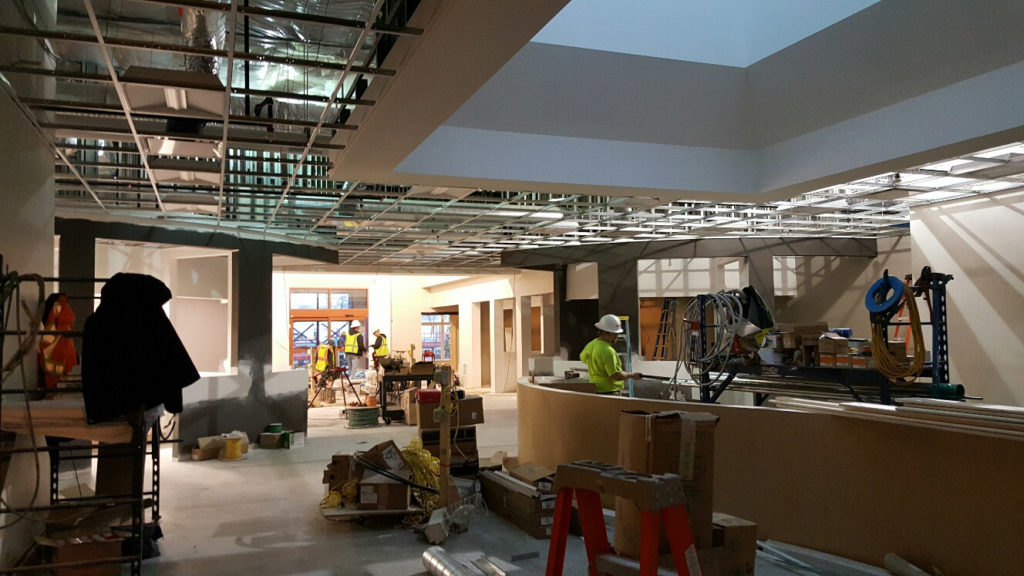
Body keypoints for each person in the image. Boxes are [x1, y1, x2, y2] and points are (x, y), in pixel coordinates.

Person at [580, 314, 640, 394]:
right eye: (614, 333)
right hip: (609, 392)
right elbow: (616, 376)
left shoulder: (591, 345)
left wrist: (597, 368)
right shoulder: (608, 351)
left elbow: (583, 358)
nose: (617, 336)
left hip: (595, 390)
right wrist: (632, 375)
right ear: (605, 332)